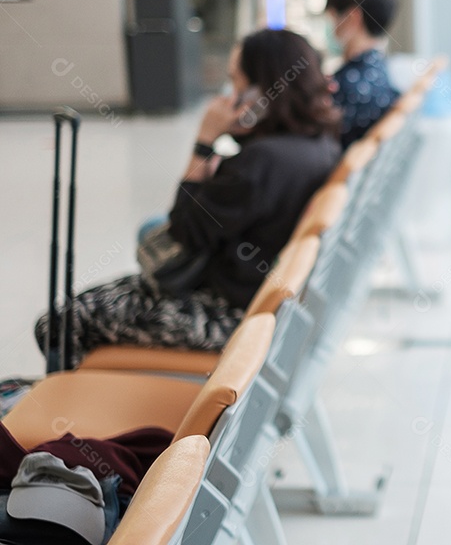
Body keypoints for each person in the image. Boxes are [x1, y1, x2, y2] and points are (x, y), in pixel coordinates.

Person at [35, 29, 341, 366]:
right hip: (253, 305)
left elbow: (182, 228)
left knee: (57, 324)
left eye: (237, 83)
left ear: (262, 91)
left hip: (222, 314)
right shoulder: (319, 145)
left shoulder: (262, 162)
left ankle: (68, 409)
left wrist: (205, 139)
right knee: (83, 309)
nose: (231, 95)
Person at [324, 0, 401, 147]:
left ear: (352, 18)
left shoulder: (345, 86)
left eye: (332, 16)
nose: (330, 26)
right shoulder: (379, 70)